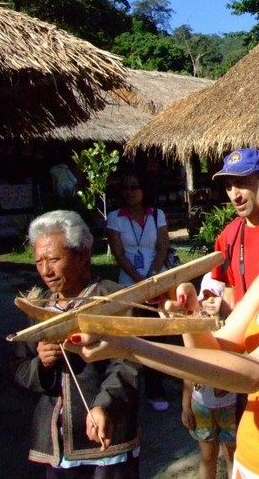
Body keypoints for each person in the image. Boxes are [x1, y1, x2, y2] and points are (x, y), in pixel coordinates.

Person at [69, 147, 259, 479]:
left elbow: (252, 374)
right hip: (249, 464)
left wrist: (131, 347)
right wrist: (190, 321)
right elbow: (214, 359)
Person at [12, 210, 140, 478]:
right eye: (38, 261)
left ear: (81, 255)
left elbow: (129, 362)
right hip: (56, 445)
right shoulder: (38, 306)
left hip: (107, 438)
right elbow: (20, 366)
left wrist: (104, 405)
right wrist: (42, 364)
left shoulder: (112, 299)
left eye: (54, 259)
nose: (45, 271)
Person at [106, 172, 171, 410]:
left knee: (156, 333)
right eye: (125, 188)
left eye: (134, 187)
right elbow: (118, 253)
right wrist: (137, 279)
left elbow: (163, 245)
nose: (130, 192)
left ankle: (156, 387)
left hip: (155, 281)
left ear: (144, 190)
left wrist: (152, 275)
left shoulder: (157, 215)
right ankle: (128, 388)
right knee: (130, 336)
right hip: (129, 282)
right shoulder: (115, 218)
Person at [210, 148, 259, 313]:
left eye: (241, 184)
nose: (235, 195)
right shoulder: (228, 236)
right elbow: (230, 294)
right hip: (242, 335)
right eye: (229, 186)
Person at [181, 274, 236, 479]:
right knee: (207, 455)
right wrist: (185, 406)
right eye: (205, 295)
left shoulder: (232, 329)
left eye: (215, 295)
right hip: (201, 405)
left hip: (229, 405)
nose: (210, 300)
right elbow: (188, 370)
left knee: (232, 455)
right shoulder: (196, 330)